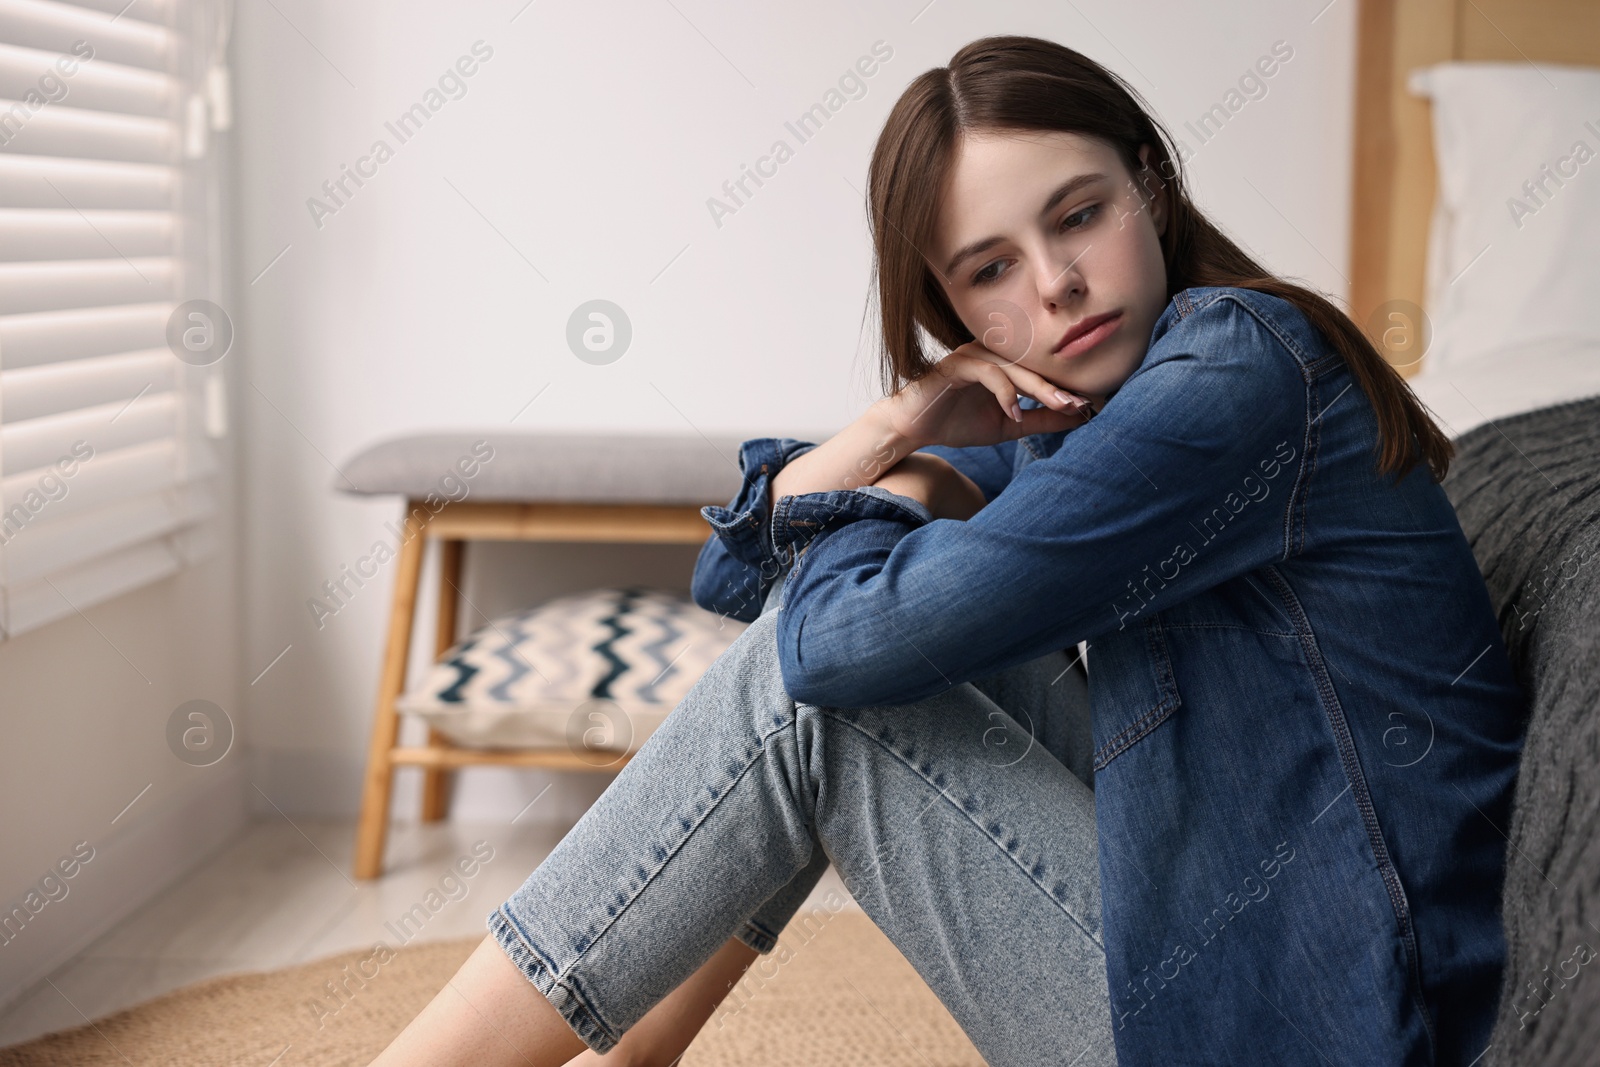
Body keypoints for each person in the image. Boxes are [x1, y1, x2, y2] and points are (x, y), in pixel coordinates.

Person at [371, 35, 1525, 1066]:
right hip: (1232, 937)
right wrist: (902, 426)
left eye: (1078, 215)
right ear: (955, 311)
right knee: (833, 645)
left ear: (1151, 187)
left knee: (826, 689)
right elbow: (741, 579)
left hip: (1318, 1020)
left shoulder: (1228, 379)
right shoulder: (1087, 402)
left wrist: (897, 455)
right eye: (990, 270)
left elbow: (819, 654)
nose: (1056, 284)